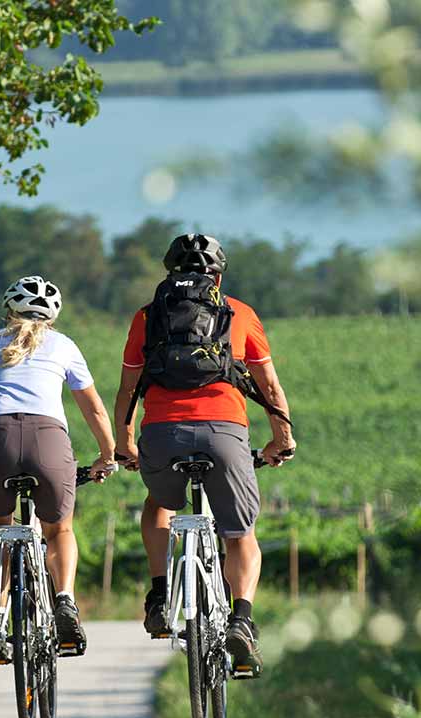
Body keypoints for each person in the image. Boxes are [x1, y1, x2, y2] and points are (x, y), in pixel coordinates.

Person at [113, 234, 296, 676]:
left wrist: (124, 444)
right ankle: (242, 620)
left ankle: (159, 595)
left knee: (158, 504)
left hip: (161, 433)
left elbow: (127, 390)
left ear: (170, 272)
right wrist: (281, 439)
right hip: (225, 432)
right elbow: (268, 388)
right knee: (240, 533)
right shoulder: (241, 314)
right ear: (218, 275)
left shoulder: (147, 316)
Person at [0, 275, 116, 663]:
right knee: (60, 529)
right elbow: (93, 408)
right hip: (48, 442)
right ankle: (66, 603)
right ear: (53, 318)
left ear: (9, 311)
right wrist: (107, 453)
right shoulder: (65, 346)